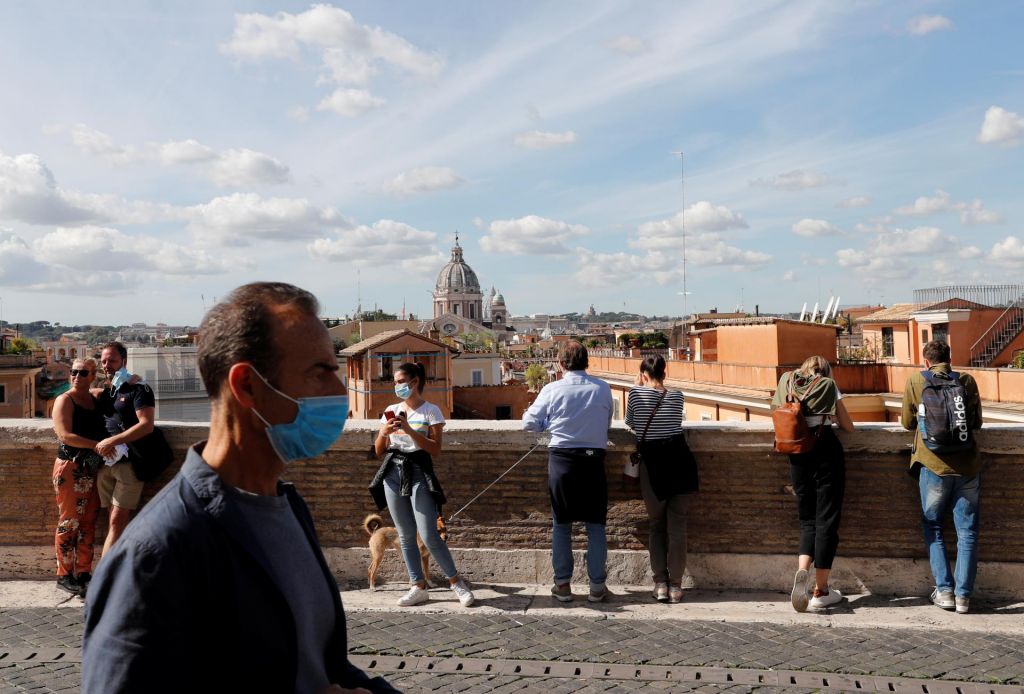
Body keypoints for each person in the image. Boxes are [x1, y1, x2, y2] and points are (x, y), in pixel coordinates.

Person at [83, 282, 397, 694]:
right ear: (247, 385)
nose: (339, 392)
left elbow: (319, 665)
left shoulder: (289, 508)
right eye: (321, 372)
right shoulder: (156, 554)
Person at [369, 362, 474, 608]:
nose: (396, 386)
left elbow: (435, 449)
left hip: (419, 471)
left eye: (400, 381)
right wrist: (385, 431)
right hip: (393, 472)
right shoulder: (391, 409)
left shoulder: (431, 411)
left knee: (428, 534)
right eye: (394, 382)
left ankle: (456, 583)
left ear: (414, 382)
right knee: (405, 535)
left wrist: (409, 430)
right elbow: (377, 450)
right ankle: (417, 586)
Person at [523, 340, 613, 603]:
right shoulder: (603, 388)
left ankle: (563, 585)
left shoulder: (552, 389)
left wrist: (549, 423)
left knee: (562, 525)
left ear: (560, 364)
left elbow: (529, 423)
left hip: (562, 462)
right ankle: (597, 587)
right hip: (593, 462)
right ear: (587, 362)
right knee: (596, 526)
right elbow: (606, 423)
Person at [900, 340, 983, 615]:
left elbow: (907, 422)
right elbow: (977, 422)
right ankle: (963, 597)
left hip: (933, 465)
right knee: (967, 532)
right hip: (967, 467)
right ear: (950, 358)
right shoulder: (967, 380)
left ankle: (944, 591)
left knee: (933, 527)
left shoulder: (916, 380)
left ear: (926, 361)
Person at [771, 355, 854, 612]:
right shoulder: (827, 385)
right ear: (825, 371)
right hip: (825, 450)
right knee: (826, 519)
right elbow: (847, 425)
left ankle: (802, 570)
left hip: (796, 452)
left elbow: (775, 410)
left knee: (807, 519)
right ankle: (821, 590)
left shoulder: (786, 380)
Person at [625, 355, 695, 604]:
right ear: (665, 373)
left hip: (653, 466)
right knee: (678, 528)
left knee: (656, 526)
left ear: (644, 374)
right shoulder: (677, 396)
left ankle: (660, 584)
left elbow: (630, 423)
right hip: (681, 463)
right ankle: (676, 586)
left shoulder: (635, 394)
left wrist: (639, 387)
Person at [50, 358, 105, 597]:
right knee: (69, 521)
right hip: (71, 467)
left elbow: (116, 389)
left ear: (93, 376)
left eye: (83, 373)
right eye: (74, 372)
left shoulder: (94, 398)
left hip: (91, 468)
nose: (76, 377)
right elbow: (65, 435)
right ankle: (64, 574)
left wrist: (134, 380)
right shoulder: (65, 400)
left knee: (88, 522)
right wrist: (99, 445)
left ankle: (83, 572)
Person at [93, 341, 154, 557]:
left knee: (117, 525)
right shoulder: (106, 392)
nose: (107, 365)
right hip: (106, 466)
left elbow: (146, 425)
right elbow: (83, 391)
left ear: (124, 362)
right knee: (114, 524)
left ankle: (104, 581)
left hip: (129, 466)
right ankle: (121, 570)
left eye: (112, 361)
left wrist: (113, 441)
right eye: (104, 361)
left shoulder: (140, 389)